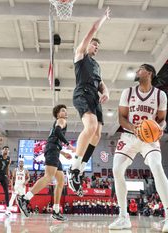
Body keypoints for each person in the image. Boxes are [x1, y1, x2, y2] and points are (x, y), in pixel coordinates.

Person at [108, 64, 168, 232]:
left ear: (149, 73)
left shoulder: (160, 95)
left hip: (150, 139)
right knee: (117, 169)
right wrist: (135, 128)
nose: (137, 72)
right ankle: (123, 217)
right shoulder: (128, 92)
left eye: (140, 69)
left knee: (156, 166)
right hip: (129, 135)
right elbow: (122, 118)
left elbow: (162, 120)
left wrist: (160, 128)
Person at [67, 7, 111, 195]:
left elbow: (101, 84)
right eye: (94, 45)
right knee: (91, 125)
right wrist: (102, 19)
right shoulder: (80, 54)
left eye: (97, 46)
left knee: (97, 133)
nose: (96, 47)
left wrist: (106, 92)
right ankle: (73, 168)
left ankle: (80, 169)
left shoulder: (97, 65)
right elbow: (92, 30)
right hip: (82, 93)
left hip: (95, 95)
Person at [17, 104, 74, 221]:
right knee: (48, 177)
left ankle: (56, 210)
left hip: (55, 151)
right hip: (52, 150)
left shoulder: (58, 122)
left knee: (61, 181)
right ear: (58, 114)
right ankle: (25, 198)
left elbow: (53, 139)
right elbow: (58, 132)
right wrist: (69, 146)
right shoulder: (61, 120)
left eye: (66, 110)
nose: (65, 112)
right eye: (63, 110)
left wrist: (63, 153)